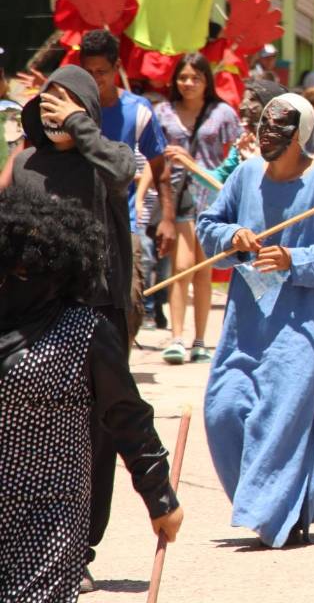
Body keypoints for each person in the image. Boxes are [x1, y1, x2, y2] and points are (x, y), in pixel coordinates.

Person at [196, 93, 314, 547]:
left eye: (279, 129)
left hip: (302, 327)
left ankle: (281, 511)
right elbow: (208, 225)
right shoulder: (246, 174)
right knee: (222, 410)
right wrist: (232, 235)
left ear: (301, 136)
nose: (266, 135)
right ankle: (267, 504)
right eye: (263, 126)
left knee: (280, 417)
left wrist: (295, 258)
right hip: (246, 322)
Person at [0, 188, 182, 602]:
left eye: (27, 271)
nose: (13, 282)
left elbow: (127, 416)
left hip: (53, 513)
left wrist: (160, 497)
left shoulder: (86, 330)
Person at [2, 66, 140, 591]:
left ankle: (81, 548)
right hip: (33, 319)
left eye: (68, 100)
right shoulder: (27, 164)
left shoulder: (104, 159)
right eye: (49, 99)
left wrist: (82, 126)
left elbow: (124, 169)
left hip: (97, 316)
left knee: (98, 439)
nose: (55, 108)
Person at [78, 29, 177, 334]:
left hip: (126, 222)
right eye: (89, 72)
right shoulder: (70, 107)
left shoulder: (138, 110)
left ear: (116, 67)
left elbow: (160, 168)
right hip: (78, 221)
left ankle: (117, 369)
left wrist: (168, 219)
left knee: (129, 301)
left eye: (102, 72)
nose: (96, 79)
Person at [155, 54, 241, 365]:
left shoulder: (223, 112)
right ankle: (177, 337)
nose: (188, 83)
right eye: (183, 77)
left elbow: (237, 152)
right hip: (176, 195)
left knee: (203, 269)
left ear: (207, 81)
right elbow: (151, 155)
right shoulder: (162, 112)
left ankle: (200, 340)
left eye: (195, 78)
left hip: (212, 195)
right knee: (182, 266)